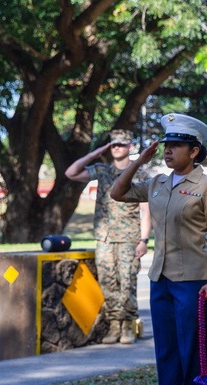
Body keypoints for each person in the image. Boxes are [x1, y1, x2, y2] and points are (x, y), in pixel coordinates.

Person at [110, 114, 207, 385]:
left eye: (176, 145)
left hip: (194, 281)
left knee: (192, 353)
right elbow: (117, 192)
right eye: (166, 145)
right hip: (161, 279)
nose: (168, 151)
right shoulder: (158, 183)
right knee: (166, 351)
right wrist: (139, 161)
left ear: (194, 151)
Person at [65, 130, 151, 344]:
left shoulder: (138, 173)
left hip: (129, 237)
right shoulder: (102, 170)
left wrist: (144, 240)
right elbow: (71, 173)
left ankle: (127, 326)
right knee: (108, 282)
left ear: (130, 146)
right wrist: (94, 154)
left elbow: (146, 210)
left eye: (121, 145)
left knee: (127, 282)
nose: (116, 148)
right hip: (104, 238)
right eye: (113, 145)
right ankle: (114, 326)